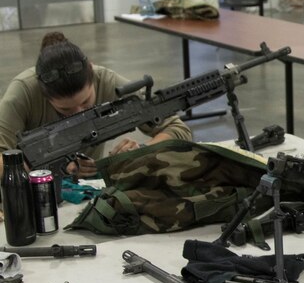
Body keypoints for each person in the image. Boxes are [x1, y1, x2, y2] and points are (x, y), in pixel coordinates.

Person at [0, 32, 192, 177]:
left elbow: (178, 130)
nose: (78, 113)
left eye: (85, 102)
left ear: (92, 73)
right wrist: (52, 168)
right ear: (43, 93)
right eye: (65, 110)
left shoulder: (108, 82)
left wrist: (141, 150)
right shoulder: (22, 93)